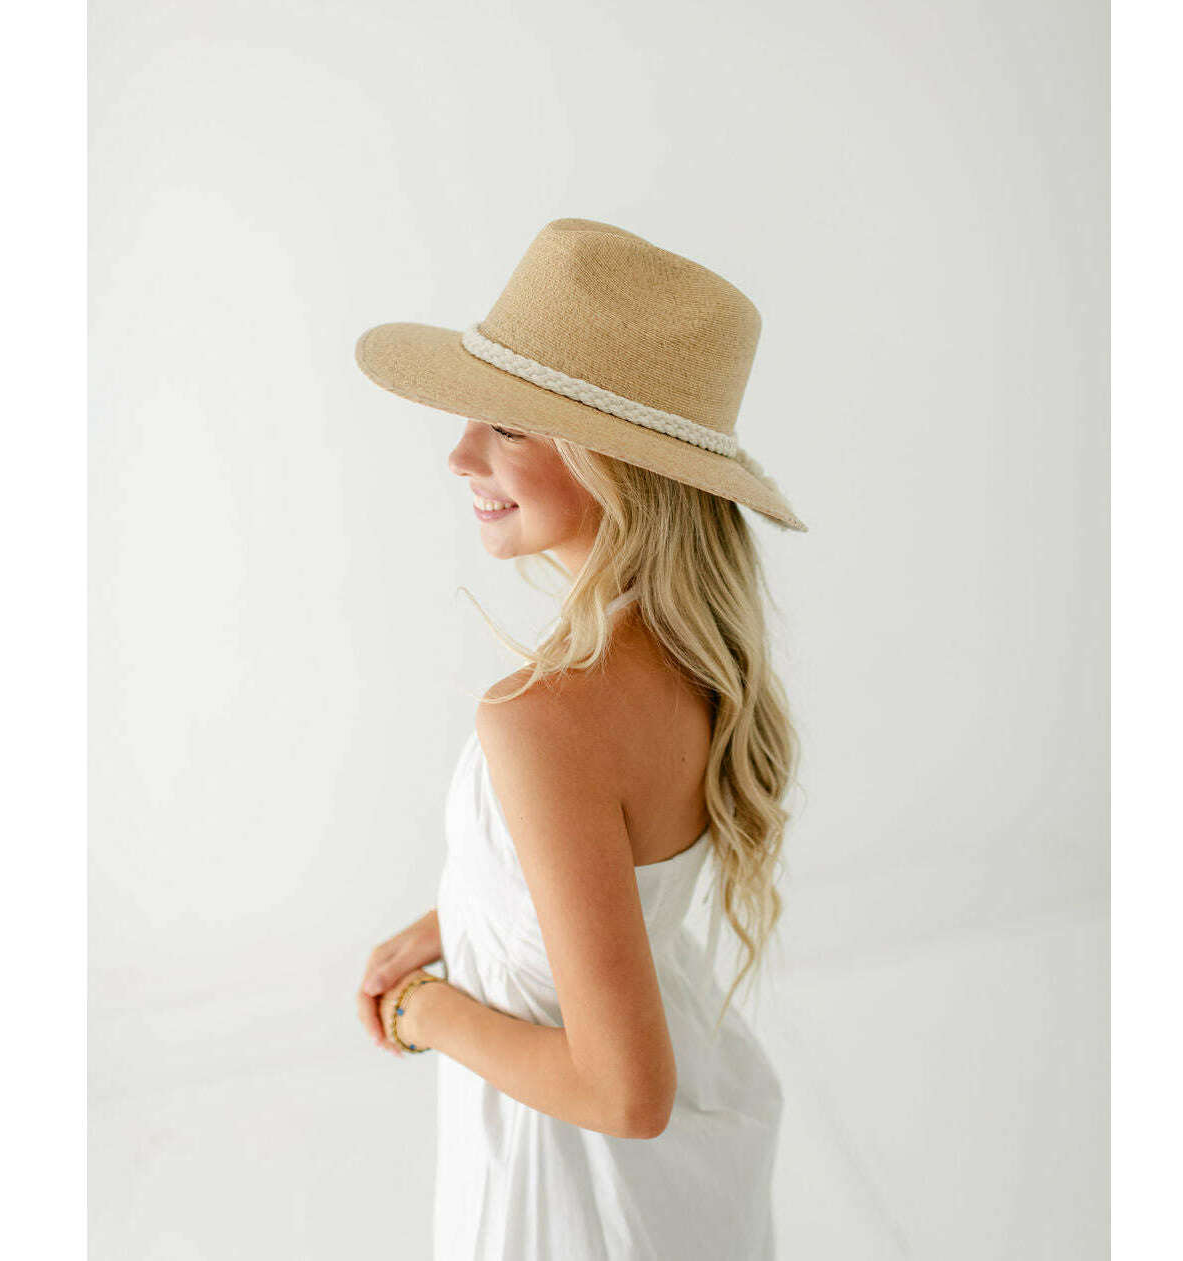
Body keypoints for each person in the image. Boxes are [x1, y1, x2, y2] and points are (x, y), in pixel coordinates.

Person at [351, 218, 807, 1259]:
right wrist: (462, 913)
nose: (460, 453)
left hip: (565, 1184)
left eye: (509, 426)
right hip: (679, 1175)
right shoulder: (695, 658)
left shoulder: (541, 718)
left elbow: (622, 1093)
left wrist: (424, 1012)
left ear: (615, 463)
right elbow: (619, 871)